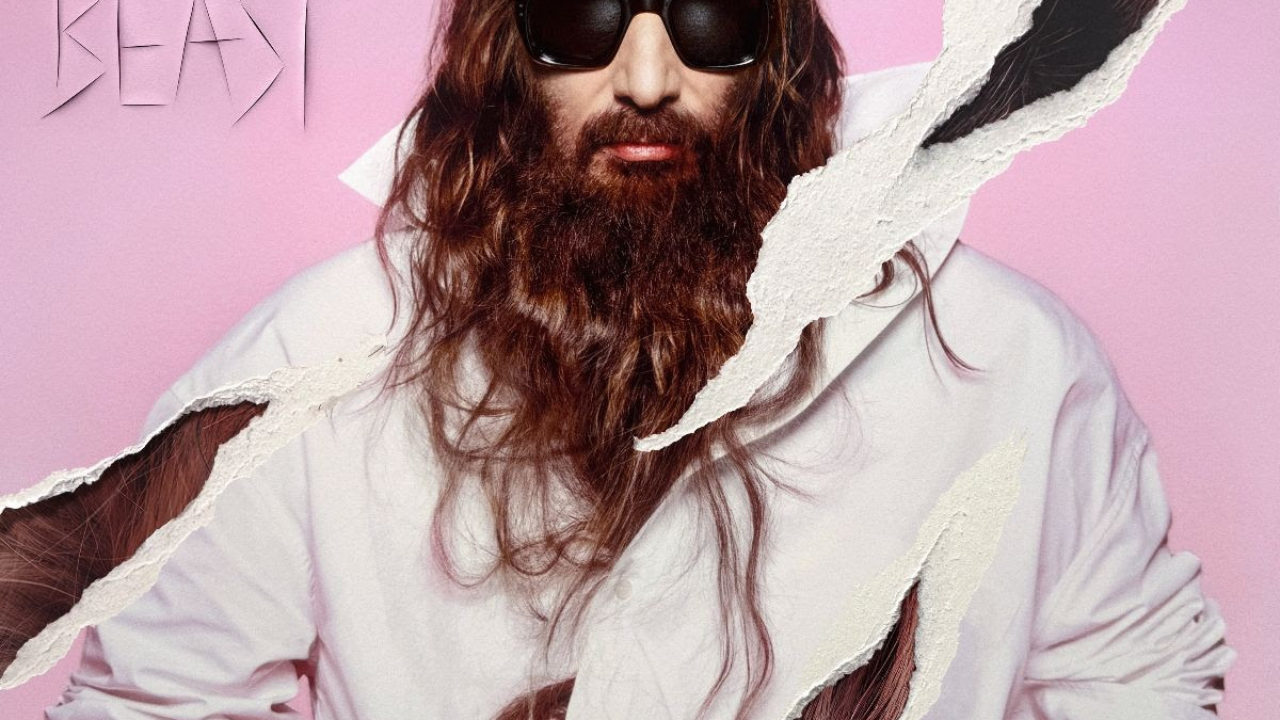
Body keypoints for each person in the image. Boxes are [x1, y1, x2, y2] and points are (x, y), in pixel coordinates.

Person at [0, 0, 1233, 718]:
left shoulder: (1007, 356)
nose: (646, 80)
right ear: (503, 51)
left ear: (776, 55)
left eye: (707, 19)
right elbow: (157, 700)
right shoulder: (313, 360)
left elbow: (1131, 681)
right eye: (583, 18)